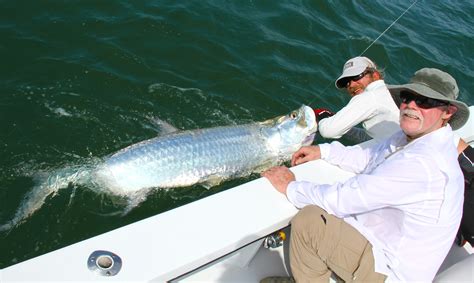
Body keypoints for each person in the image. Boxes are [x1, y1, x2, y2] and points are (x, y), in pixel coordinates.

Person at [262, 68, 469, 282]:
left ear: (448, 112)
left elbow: (343, 200)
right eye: (408, 97)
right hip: (379, 244)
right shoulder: (413, 136)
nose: (411, 106)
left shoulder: (424, 163)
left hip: (390, 269)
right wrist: (323, 151)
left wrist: (290, 186)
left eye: (425, 101)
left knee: (309, 222)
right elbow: (369, 156)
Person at [314, 56, 400, 143]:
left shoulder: (370, 96)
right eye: (346, 82)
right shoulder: (389, 93)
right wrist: (340, 122)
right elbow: (372, 139)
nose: (351, 85)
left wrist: (322, 119)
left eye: (356, 77)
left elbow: (328, 131)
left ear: (375, 75)